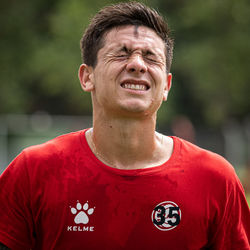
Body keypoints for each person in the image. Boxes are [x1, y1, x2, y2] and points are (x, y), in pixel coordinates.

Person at [0, 2, 249, 249]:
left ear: (166, 86)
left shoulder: (215, 179)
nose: (138, 64)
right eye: (122, 53)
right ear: (87, 77)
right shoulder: (32, 172)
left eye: (151, 57)